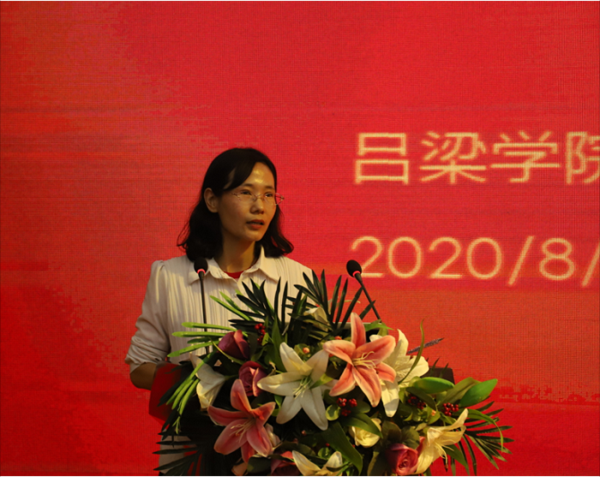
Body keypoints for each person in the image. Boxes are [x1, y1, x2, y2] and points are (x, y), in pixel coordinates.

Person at [125, 147, 311, 470]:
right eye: (246, 193)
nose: (259, 206)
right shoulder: (171, 277)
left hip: (273, 459)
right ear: (212, 200)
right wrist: (201, 384)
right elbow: (139, 367)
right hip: (193, 455)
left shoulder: (296, 279)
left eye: (269, 195)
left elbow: (315, 369)